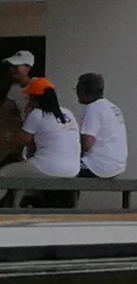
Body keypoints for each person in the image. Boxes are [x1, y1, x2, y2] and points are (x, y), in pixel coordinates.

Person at [0, 79, 81, 208]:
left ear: (36, 99)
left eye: (29, 97)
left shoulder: (37, 114)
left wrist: (26, 117)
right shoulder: (68, 113)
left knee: (4, 173)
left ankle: (11, 207)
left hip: (47, 167)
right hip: (73, 169)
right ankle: (16, 206)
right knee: (23, 173)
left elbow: (22, 140)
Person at [74, 72, 124, 179]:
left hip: (99, 165)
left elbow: (87, 143)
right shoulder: (112, 107)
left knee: (65, 168)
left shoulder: (93, 108)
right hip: (117, 165)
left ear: (84, 91)